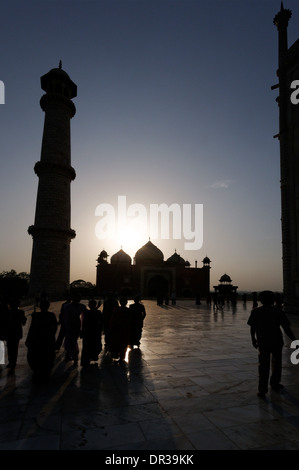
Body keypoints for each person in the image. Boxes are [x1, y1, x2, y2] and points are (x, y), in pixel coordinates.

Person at [247, 290, 296, 398]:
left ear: (260, 300)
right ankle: (275, 384)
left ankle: (262, 389)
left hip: (263, 341)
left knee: (263, 366)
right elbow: (286, 328)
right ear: (273, 299)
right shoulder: (278, 311)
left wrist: (253, 339)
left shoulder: (256, 311)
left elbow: (252, 327)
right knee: (276, 364)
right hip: (276, 341)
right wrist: (294, 340)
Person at [26, 300, 57, 382]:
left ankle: (39, 372)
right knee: (45, 357)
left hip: (39, 340)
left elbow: (32, 328)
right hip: (45, 340)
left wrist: (29, 338)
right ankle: (43, 372)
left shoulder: (36, 315)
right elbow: (54, 328)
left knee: (37, 357)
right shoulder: (50, 315)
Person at [63, 293, 87, 366]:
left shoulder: (81, 306)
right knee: (69, 340)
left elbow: (85, 316)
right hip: (69, 325)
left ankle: (74, 357)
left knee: (72, 341)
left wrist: (82, 328)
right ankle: (70, 355)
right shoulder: (67, 306)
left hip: (76, 325)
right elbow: (65, 317)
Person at [5, 298, 27, 374]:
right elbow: (23, 322)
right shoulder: (20, 312)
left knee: (10, 347)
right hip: (16, 332)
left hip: (9, 332)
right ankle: (12, 363)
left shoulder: (8, 312)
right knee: (14, 348)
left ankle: (11, 361)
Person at [80, 299, 103, 368]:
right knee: (92, 346)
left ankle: (90, 358)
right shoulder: (94, 312)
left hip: (92, 332)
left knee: (92, 346)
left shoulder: (89, 312)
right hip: (91, 332)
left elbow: (101, 322)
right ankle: (90, 358)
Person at [109, 297, 131, 362]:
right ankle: (121, 356)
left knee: (120, 342)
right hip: (121, 329)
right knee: (122, 343)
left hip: (119, 328)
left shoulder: (117, 309)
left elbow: (112, 319)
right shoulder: (127, 310)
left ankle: (119, 355)